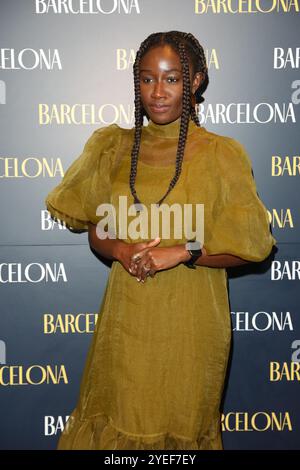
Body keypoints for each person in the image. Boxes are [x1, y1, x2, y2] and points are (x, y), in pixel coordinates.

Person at [45, 31, 276, 450]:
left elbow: (250, 245)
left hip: (191, 326)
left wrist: (184, 253)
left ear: (197, 80)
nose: (158, 92)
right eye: (147, 79)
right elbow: (96, 225)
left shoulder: (223, 155)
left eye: (172, 79)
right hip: (125, 321)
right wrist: (119, 249)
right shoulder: (113, 146)